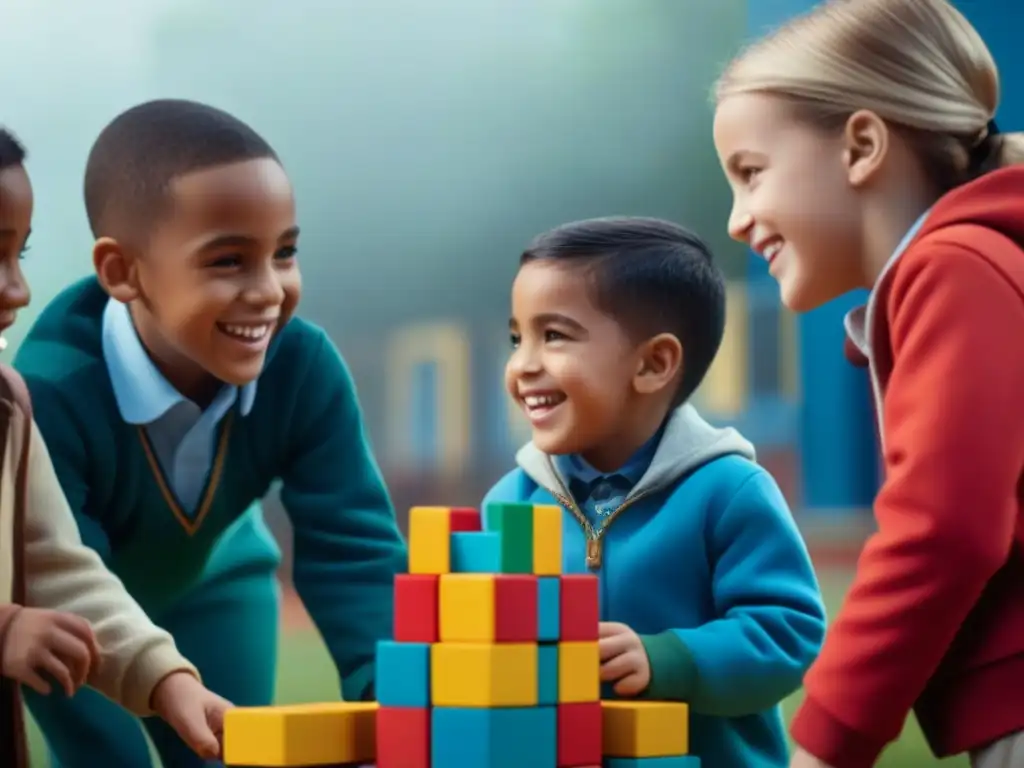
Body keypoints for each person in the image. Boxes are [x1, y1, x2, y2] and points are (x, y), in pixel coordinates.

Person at [13, 101, 407, 767]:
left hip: (218, 580)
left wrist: (393, 708)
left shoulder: (304, 367)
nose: (269, 291)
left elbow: (353, 549)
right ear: (121, 272)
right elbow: (58, 572)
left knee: (233, 754)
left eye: (284, 253)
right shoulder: (50, 393)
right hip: (77, 617)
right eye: (228, 261)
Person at [712, 1, 1024, 766]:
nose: (737, 219)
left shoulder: (952, 270)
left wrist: (825, 741)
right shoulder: (972, 264)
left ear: (860, 145)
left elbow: (943, 529)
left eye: (751, 174)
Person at [483, 216, 826, 766]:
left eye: (553, 336)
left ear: (653, 364)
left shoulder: (728, 490)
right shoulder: (509, 502)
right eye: (516, 338)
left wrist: (670, 659)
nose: (522, 364)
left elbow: (789, 631)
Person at [0, 128, 233, 767]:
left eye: (19, 254)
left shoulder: (9, 409)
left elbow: (55, 566)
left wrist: (165, 679)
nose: (17, 288)